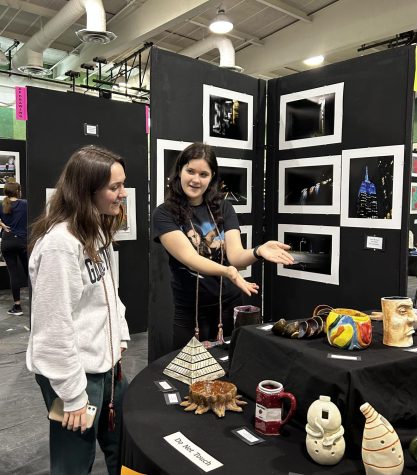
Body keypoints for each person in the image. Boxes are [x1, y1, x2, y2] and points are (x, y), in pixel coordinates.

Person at [26, 145, 130, 475]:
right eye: (114, 187)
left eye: (122, 184)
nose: (122, 194)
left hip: (107, 368)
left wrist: (120, 339)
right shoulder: (60, 244)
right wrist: (72, 395)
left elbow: (109, 295)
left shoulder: (97, 231)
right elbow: (52, 328)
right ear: (87, 191)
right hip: (73, 375)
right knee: (73, 461)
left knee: (124, 446)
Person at [152, 142, 294, 350]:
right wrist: (229, 272)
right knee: (189, 376)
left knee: (232, 368)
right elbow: (191, 259)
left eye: (203, 174)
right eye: (190, 171)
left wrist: (258, 251)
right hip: (191, 311)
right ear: (180, 172)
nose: (195, 179)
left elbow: (235, 255)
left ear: (212, 178)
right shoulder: (164, 214)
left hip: (228, 305)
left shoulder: (223, 208)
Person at [0, 181, 28, 315]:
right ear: (18, 191)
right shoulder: (25, 204)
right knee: (30, 272)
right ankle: (37, 301)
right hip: (22, 241)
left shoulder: (2, 204)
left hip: (7, 242)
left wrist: (3, 226)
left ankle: (17, 306)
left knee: (13, 274)